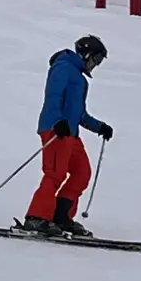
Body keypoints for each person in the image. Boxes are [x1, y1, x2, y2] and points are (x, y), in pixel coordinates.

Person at [23, 35, 114, 238]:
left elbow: (79, 114)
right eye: (97, 59)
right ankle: (36, 218)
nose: (96, 65)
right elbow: (53, 97)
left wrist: (100, 127)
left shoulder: (80, 79)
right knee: (55, 174)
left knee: (82, 172)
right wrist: (57, 121)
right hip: (55, 130)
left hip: (70, 132)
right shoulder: (62, 68)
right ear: (86, 54)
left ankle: (61, 216)